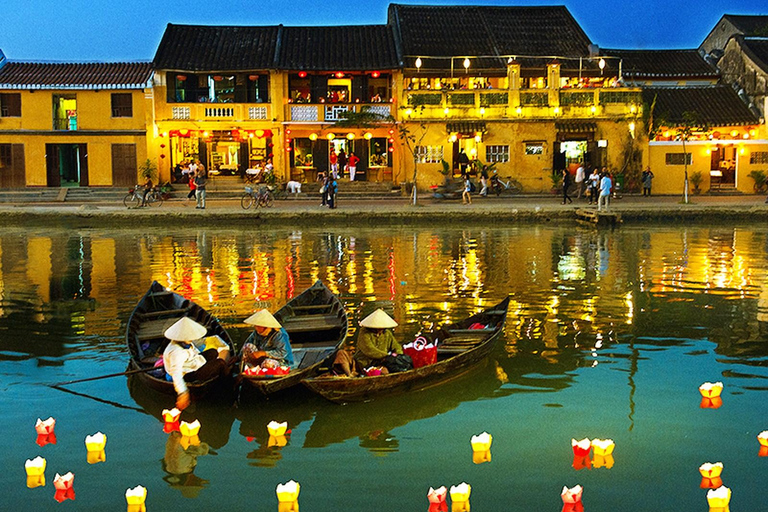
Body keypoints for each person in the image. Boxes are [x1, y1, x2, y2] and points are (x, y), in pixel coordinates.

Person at [163, 317, 230, 410]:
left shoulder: (185, 343)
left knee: (213, 352)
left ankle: (217, 371)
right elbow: (176, 373)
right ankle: (229, 384)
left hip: (193, 364)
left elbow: (194, 354)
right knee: (221, 363)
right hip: (187, 374)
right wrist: (183, 392)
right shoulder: (177, 352)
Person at [332, 308, 406, 375]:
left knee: (385, 372)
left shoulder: (387, 334)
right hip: (361, 363)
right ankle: (349, 375)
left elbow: (396, 346)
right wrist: (386, 356)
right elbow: (369, 349)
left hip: (378, 364)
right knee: (341, 353)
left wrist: (397, 356)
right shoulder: (364, 333)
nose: (379, 329)